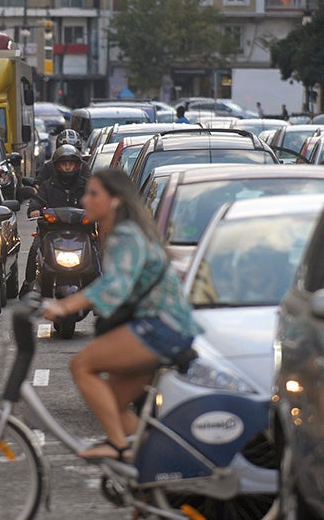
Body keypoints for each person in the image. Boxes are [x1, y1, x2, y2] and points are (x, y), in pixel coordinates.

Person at [41, 169, 199, 460]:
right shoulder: (118, 232)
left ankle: (117, 445)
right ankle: (165, 463)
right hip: (164, 326)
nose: (83, 199)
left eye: (93, 194)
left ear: (114, 201)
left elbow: (116, 285)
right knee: (112, 405)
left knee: (81, 365)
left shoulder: (125, 234)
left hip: (162, 326)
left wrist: (64, 306)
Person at [24, 145, 89, 289]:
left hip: (82, 232)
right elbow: (37, 200)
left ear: (78, 166)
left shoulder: (87, 186)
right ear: (56, 166)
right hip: (51, 232)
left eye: (71, 164)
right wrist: (35, 209)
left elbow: (97, 201)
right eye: (64, 164)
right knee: (35, 247)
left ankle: (102, 286)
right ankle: (30, 283)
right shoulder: (48, 186)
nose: (67, 168)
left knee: (98, 249)